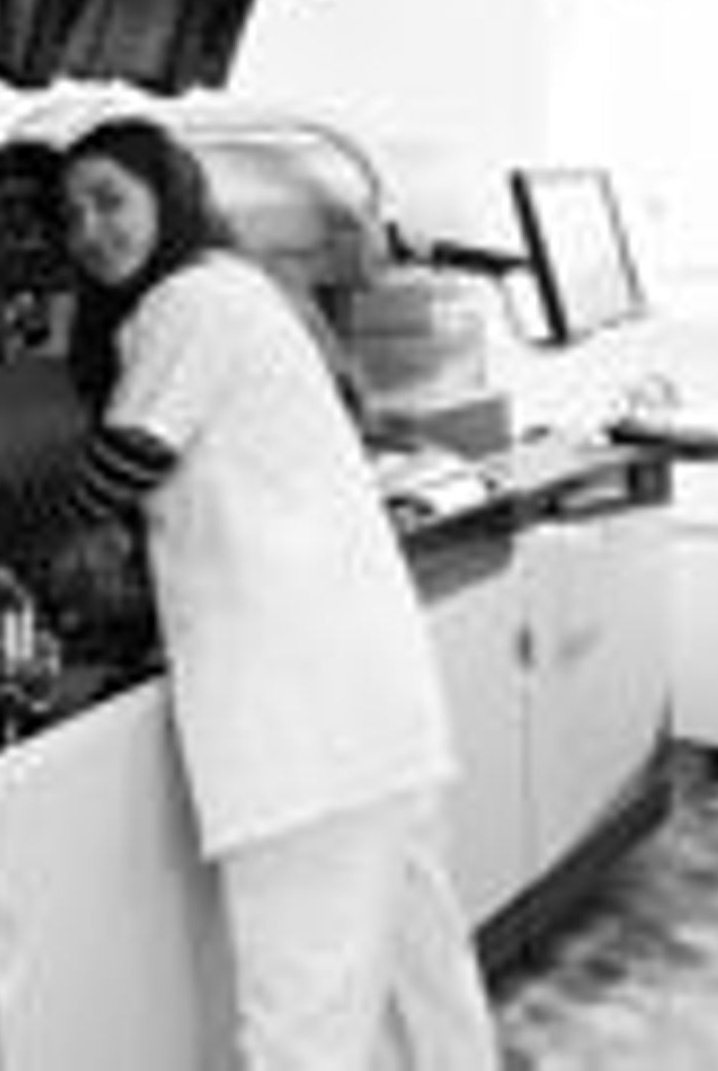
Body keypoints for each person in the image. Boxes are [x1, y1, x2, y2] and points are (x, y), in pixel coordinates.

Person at [43, 115, 498, 1071]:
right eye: (71, 214)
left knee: (301, 1018)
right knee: (423, 978)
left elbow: (126, 460)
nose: (89, 229)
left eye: (109, 200)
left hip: (303, 727)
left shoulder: (189, 301)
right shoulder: (240, 284)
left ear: (169, 195)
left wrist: (3, 530)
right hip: (368, 704)